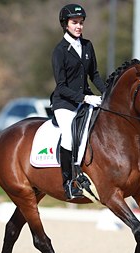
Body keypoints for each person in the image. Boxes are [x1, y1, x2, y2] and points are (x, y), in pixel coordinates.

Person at [51, 3, 106, 200]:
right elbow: (61, 86)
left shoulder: (87, 45)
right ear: (65, 24)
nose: (79, 26)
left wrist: (107, 93)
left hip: (86, 100)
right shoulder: (60, 51)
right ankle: (68, 182)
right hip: (64, 103)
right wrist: (84, 97)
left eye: (81, 23)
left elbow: (95, 75)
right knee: (68, 136)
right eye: (75, 23)